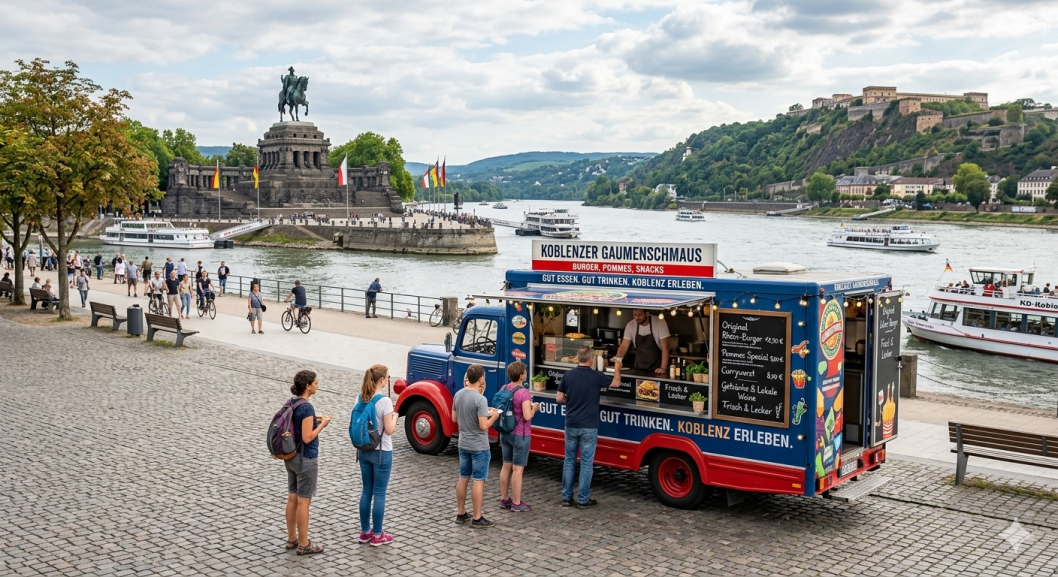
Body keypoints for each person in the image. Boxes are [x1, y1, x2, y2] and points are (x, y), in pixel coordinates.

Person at [558, 347, 622, 508]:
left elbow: (559, 398)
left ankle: (566, 497)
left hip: (571, 424)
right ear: (591, 359)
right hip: (589, 425)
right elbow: (616, 383)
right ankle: (583, 499)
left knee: (569, 460)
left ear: (577, 358)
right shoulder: (596, 376)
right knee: (586, 463)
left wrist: (572, 400)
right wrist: (617, 369)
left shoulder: (568, 375)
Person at [284, 369, 330, 556]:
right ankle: (304, 544)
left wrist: (314, 419)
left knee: (292, 497)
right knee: (304, 502)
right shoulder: (307, 407)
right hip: (306, 458)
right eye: (316, 383)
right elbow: (308, 437)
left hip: (291, 457)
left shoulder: (292, 402)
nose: (318, 385)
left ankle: (291, 538)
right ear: (308, 386)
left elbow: (298, 423)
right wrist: (322, 424)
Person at [453, 364, 501, 528]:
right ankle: (477, 517)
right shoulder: (480, 399)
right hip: (479, 445)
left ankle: (461, 513)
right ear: (481, 379)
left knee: (463, 477)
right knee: (479, 480)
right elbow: (483, 425)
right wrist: (493, 417)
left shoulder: (458, 394)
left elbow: (454, 418)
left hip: (463, 442)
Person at [355, 365, 398, 547]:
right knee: (379, 493)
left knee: (366, 491)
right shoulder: (385, 401)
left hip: (363, 449)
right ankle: (378, 535)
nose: (388, 380)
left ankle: (365, 532)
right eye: (388, 377)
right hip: (382, 451)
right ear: (382, 380)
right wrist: (395, 417)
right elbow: (389, 430)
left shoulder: (360, 397)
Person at [498, 361, 539, 512]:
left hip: (505, 432)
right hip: (521, 434)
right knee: (517, 469)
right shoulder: (524, 393)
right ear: (521, 376)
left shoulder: (504, 388)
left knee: (506, 465)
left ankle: (504, 499)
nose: (526, 373)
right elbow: (527, 416)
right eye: (525, 372)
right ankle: (516, 502)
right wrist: (534, 408)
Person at [612, 309, 670, 375]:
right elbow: (624, 346)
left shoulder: (659, 323)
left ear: (647, 314)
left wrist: (663, 368)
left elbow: (665, 348)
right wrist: (618, 358)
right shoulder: (631, 325)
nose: (637, 317)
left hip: (656, 369)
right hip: (638, 368)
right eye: (635, 315)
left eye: (639, 315)